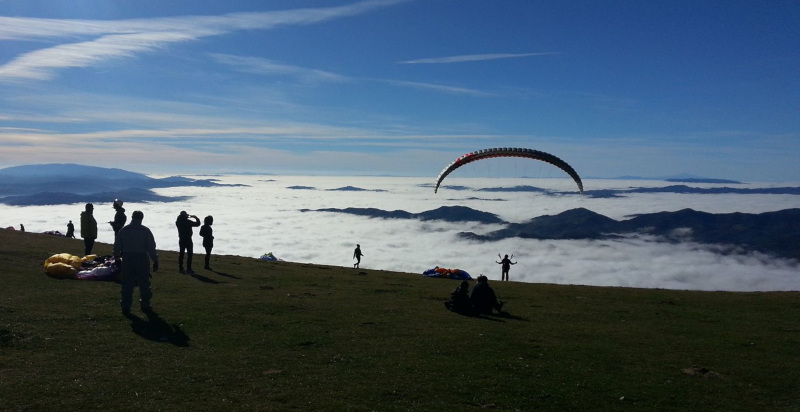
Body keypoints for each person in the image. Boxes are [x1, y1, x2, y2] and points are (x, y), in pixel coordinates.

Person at [114, 210, 159, 316]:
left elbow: (117, 246)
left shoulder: (123, 230)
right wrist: (155, 260)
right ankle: (145, 304)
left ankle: (125, 306)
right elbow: (151, 247)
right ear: (141, 218)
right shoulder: (145, 230)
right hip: (142, 258)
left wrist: (116, 257)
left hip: (127, 258)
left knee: (127, 283)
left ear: (132, 217)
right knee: (144, 282)